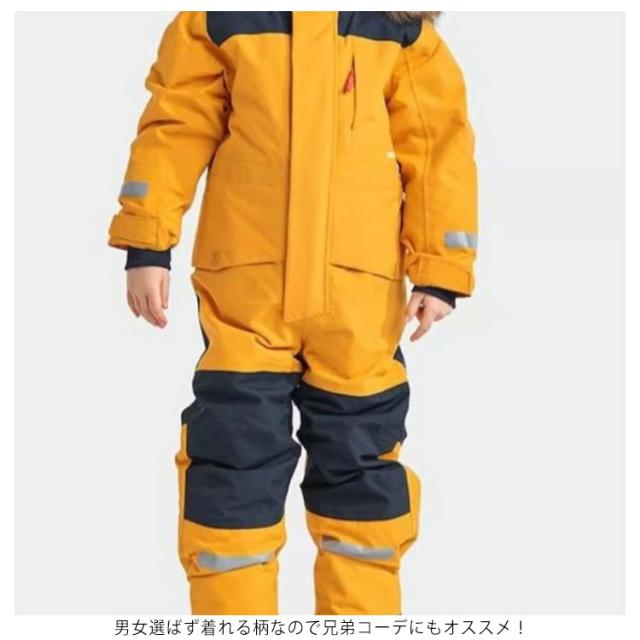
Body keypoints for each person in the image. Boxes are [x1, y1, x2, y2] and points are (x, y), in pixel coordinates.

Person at [108, 10, 477, 615]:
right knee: (232, 458)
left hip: (358, 301)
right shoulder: (220, 20)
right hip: (248, 296)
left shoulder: (400, 32)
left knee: (361, 469)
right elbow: (175, 124)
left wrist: (441, 267)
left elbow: (438, 147)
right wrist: (147, 242)